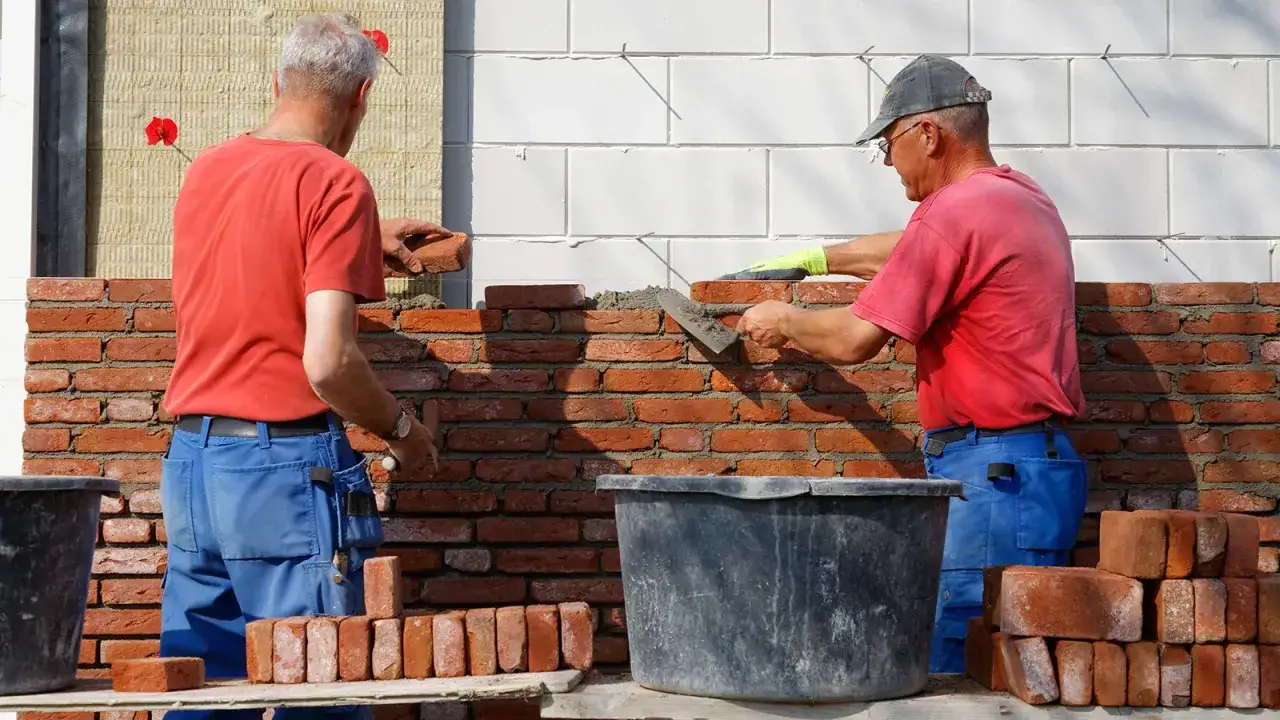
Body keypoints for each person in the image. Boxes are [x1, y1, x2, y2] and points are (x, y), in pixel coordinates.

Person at [735, 55, 1089, 674]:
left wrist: (782, 318)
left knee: (964, 662)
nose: (888, 162)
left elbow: (853, 340)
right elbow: (911, 251)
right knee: (1016, 662)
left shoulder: (953, 212)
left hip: (995, 474)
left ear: (928, 133)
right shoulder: (1019, 198)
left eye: (888, 144)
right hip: (1035, 471)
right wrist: (816, 259)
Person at [158, 13, 448, 718]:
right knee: (321, 691)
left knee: (205, 692)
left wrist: (355, 242)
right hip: (282, 471)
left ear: (278, 83)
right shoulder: (336, 183)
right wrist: (403, 430)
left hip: (194, 466)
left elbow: (255, 258)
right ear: (360, 100)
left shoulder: (209, 170)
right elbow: (328, 361)